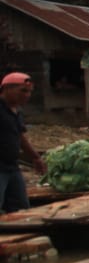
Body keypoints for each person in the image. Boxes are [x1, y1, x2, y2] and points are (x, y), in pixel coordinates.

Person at [0, 72, 46, 212]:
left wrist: (35, 157)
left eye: (29, 92)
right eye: (23, 91)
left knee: (20, 208)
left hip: (12, 167)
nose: (27, 95)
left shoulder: (16, 112)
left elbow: (19, 137)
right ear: (6, 88)